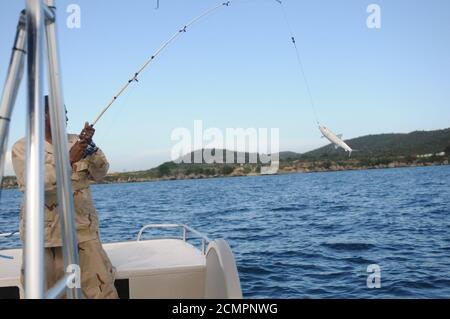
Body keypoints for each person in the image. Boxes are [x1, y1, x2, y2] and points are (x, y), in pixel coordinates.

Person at [11, 96, 118, 299]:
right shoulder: (23, 147)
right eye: (60, 113)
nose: (66, 118)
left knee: (103, 293)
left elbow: (101, 172)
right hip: (45, 241)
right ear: (42, 116)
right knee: (47, 295)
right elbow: (31, 184)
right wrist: (68, 158)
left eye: (66, 113)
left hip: (83, 235)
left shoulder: (78, 142)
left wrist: (91, 147)